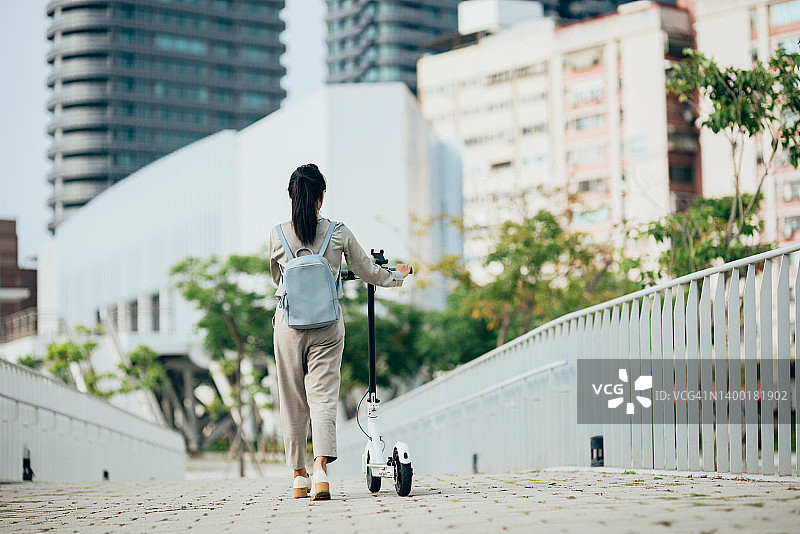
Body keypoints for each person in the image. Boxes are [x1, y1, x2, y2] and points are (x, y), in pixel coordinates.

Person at [269, 163, 412, 501]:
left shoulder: (277, 235)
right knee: (322, 397)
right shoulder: (339, 232)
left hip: (288, 326)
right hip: (328, 326)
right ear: (322, 196)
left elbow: (279, 280)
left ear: (291, 197)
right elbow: (368, 272)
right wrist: (399, 274)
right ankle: (321, 471)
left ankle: (298, 477)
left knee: (292, 400)